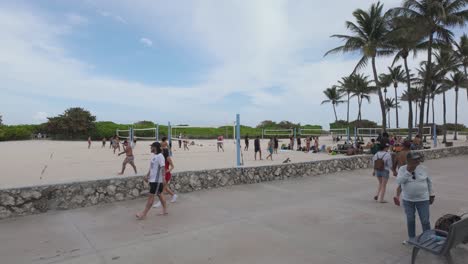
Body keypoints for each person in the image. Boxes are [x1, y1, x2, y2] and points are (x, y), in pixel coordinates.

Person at [397, 152, 435, 244]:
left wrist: (432, 194)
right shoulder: (402, 169)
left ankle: (427, 238)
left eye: (418, 159)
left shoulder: (424, 168)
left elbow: (429, 182)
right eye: (414, 160)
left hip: (423, 199)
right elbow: (399, 181)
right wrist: (408, 171)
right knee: (410, 220)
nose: (417, 161)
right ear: (408, 160)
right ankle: (411, 239)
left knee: (425, 220)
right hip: (408, 200)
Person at [136, 142, 167, 220]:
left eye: (152, 147)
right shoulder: (154, 156)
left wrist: (163, 178)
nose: (150, 148)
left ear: (155, 147)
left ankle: (143, 214)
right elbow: (152, 168)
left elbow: (163, 167)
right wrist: (147, 175)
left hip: (156, 181)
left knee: (151, 197)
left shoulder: (160, 156)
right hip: (153, 180)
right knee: (160, 195)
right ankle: (165, 210)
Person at [392, 141, 411, 206]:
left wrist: (394, 171)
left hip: (401, 171)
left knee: (400, 185)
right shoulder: (411, 154)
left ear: (404, 146)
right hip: (410, 171)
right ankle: (409, 199)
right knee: (410, 184)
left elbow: (394, 164)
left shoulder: (399, 154)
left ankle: (397, 197)